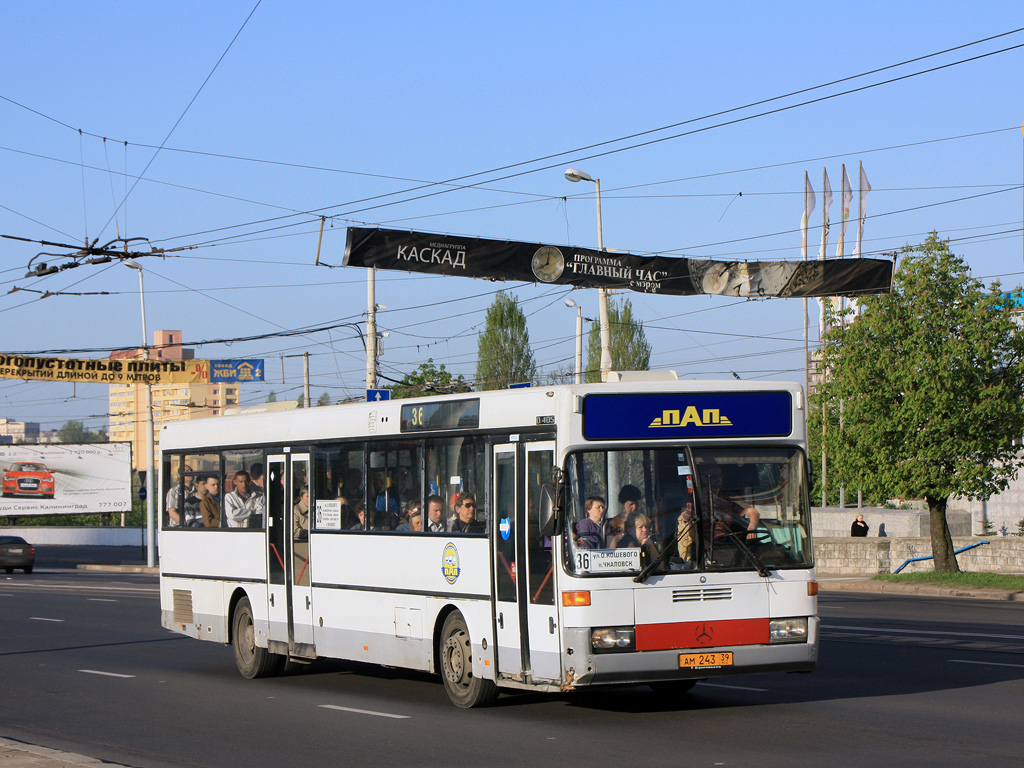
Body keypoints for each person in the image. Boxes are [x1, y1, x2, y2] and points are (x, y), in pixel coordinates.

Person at [677, 466, 760, 561]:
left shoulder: (729, 498)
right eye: (713, 477)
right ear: (704, 479)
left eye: (719, 476)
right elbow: (688, 525)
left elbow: (752, 511)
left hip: (725, 546)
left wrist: (751, 527)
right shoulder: (696, 500)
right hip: (703, 549)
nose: (717, 480)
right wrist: (703, 543)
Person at [605, 485, 642, 549]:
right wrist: (616, 539)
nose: (635, 507)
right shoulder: (615, 523)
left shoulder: (643, 520)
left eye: (637, 503)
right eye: (631, 504)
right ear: (622, 503)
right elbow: (609, 548)